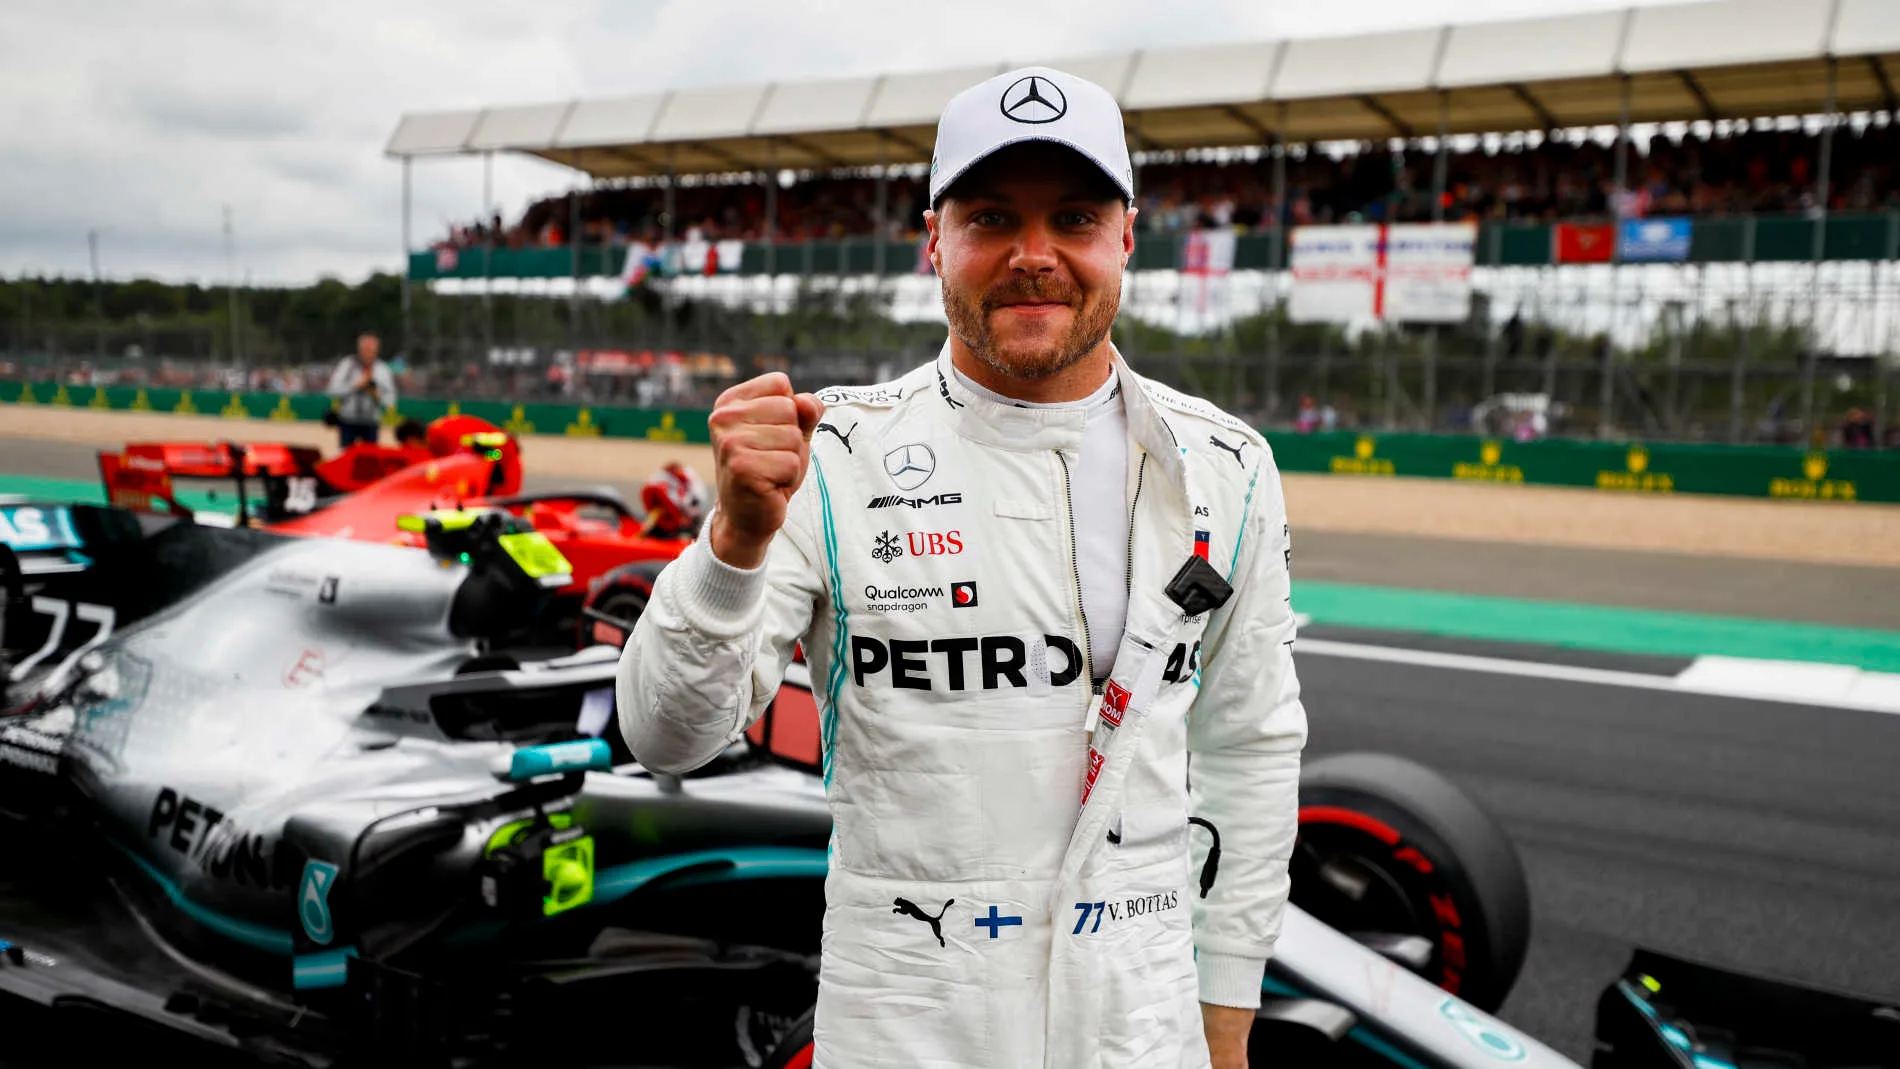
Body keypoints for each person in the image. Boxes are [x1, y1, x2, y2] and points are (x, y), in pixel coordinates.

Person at [616, 66, 1305, 1069]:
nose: (1034, 257)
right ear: (934, 241)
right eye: (990, 218)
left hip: (1138, 1029)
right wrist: (733, 546)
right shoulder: (834, 456)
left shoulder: (1227, 466)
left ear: (1126, 235)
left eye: (1072, 217)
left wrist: (1225, 1025)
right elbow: (665, 738)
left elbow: (1249, 751)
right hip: (906, 1032)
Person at [325, 332, 396, 447]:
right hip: (348, 421)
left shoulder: (382, 370)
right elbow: (332, 390)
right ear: (359, 349)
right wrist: (356, 385)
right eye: (365, 349)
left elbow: (390, 400)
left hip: (371, 422)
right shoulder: (347, 365)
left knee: (369, 459)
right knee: (346, 458)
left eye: (371, 350)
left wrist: (376, 393)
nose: (368, 354)